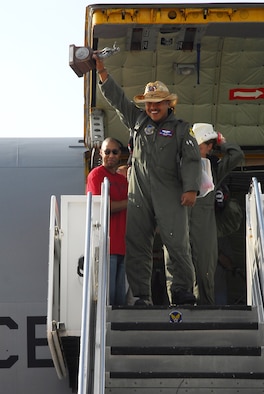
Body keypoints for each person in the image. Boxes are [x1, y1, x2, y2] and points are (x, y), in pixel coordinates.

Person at [93, 54, 202, 306]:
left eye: (158, 103)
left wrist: (190, 188)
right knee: (138, 244)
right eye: (149, 103)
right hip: (139, 193)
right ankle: (142, 296)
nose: (153, 107)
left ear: (168, 104)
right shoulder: (138, 121)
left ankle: (182, 291)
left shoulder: (181, 129)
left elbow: (191, 159)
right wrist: (102, 72)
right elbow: (118, 100)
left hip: (170, 192)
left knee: (176, 242)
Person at [188, 123, 244, 304]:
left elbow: (237, 155)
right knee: (181, 270)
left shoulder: (213, 169)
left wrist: (222, 140)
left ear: (210, 147)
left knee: (205, 270)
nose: (197, 148)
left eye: (202, 144)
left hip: (205, 226)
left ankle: (204, 308)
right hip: (181, 223)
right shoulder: (180, 164)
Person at [86, 137, 128, 305]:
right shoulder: (96, 175)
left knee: (119, 299)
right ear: (101, 153)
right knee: (108, 298)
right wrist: (131, 202)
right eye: (107, 151)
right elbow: (103, 207)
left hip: (124, 246)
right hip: (106, 246)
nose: (110, 155)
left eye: (115, 152)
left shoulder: (123, 180)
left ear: (120, 155)